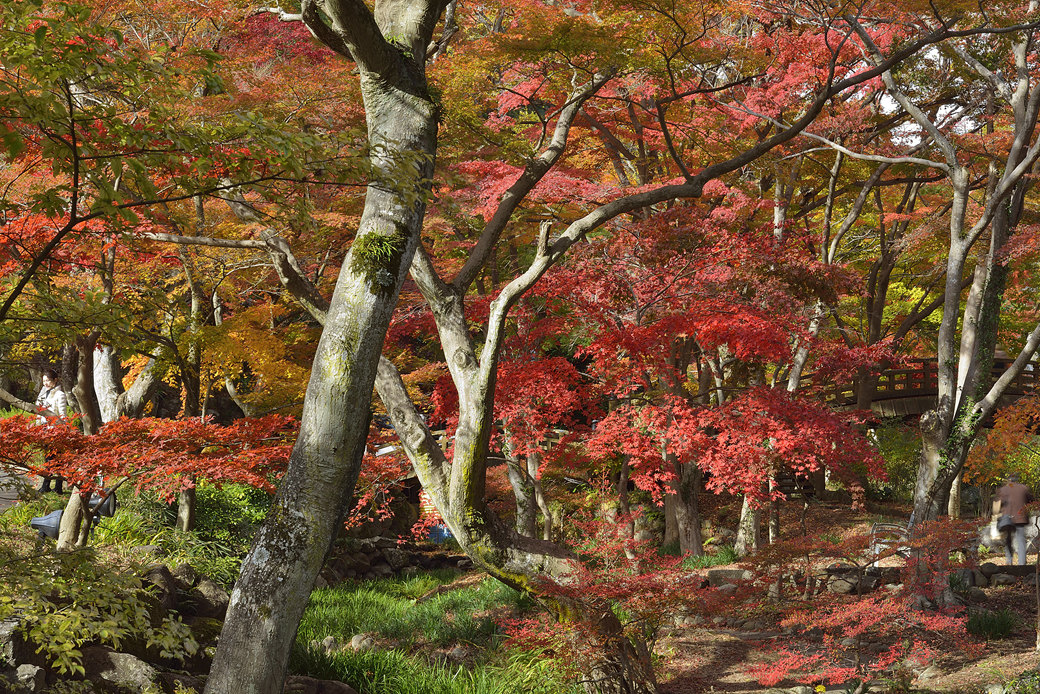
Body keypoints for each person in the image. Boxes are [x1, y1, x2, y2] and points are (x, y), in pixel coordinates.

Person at [35, 369, 67, 494]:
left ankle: (57, 487)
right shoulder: (43, 394)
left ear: (55, 380)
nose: (46, 383)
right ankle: (47, 485)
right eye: (44, 381)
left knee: (56, 459)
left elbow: (63, 415)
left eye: (48, 380)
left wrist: (62, 430)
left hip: (55, 430)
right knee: (47, 458)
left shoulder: (60, 395)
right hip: (44, 429)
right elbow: (38, 412)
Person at [995, 473, 1033, 565]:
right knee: (1021, 540)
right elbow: (1030, 500)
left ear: (1009, 480)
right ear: (1017, 480)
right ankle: (1022, 562)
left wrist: (996, 515)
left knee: (1008, 539)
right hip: (1020, 517)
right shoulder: (1023, 488)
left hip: (1007, 518)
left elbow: (998, 504)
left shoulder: (1004, 489)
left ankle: (1009, 560)